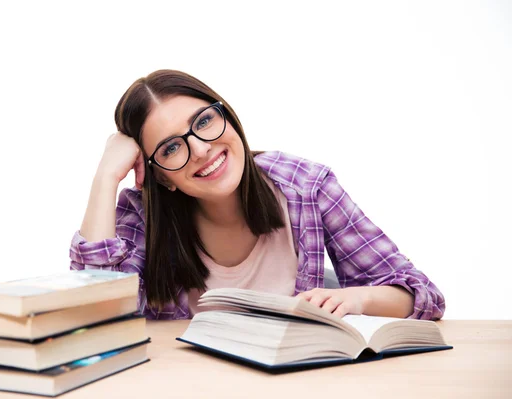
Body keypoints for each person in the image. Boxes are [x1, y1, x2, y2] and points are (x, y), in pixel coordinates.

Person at [69, 69, 446, 321]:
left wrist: (358, 299)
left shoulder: (305, 186)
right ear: (161, 178)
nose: (200, 149)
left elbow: (423, 296)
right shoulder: (143, 215)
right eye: (170, 148)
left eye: (204, 122)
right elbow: (94, 317)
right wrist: (105, 177)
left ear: (228, 117)